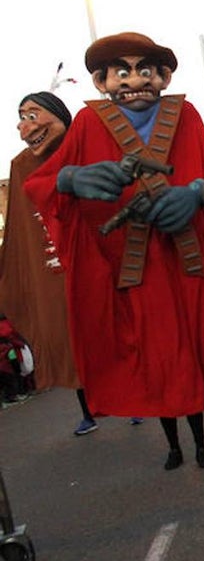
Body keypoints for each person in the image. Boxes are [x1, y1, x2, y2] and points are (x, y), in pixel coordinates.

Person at [24, 33, 204, 470]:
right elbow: (42, 182)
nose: (134, 79)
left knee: (189, 357)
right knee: (158, 364)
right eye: (122, 70)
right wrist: (70, 179)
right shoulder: (89, 125)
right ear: (102, 81)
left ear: (162, 76)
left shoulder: (184, 115)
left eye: (144, 69)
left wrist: (197, 191)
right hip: (135, 272)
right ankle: (174, 446)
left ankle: (199, 442)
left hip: (184, 264)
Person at [0, 92, 100, 433]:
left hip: (95, 258)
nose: (23, 125)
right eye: (21, 117)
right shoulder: (21, 167)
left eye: (33, 115)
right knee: (67, 335)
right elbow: (22, 227)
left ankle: (135, 402)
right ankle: (89, 410)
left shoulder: (89, 148)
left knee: (109, 329)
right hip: (56, 267)